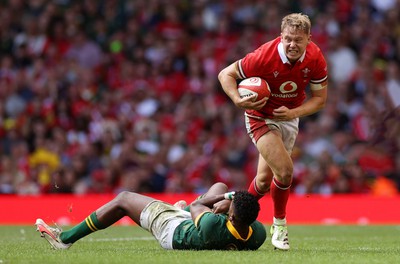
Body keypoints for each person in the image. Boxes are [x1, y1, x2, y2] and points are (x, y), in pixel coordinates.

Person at [217, 13, 328, 250]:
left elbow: (320, 100)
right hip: (260, 117)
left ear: (309, 39)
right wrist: (237, 99)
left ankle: (232, 211)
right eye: (288, 39)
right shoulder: (263, 56)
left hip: (289, 118)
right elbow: (225, 74)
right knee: (285, 171)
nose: (292, 45)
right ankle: (279, 225)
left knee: (265, 180)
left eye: (298, 40)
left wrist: (292, 113)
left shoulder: (316, 57)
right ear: (280, 37)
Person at [35, 182, 266, 250]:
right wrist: (228, 202)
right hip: (197, 223)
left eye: (231, 209)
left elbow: (198, 204)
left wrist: (225, 197)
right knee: (218, 185)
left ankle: (64, 239)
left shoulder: (212, 224)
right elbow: (240, 214)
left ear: (231, 217)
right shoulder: (258, 234)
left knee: (124, 198)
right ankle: (182, 211)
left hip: (173, 231)